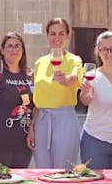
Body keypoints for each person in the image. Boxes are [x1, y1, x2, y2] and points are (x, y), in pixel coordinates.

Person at [30, 17, 83, 169]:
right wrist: (32, 126)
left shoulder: (75, 60)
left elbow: (74, 79)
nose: (57, 38)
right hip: (42, 120)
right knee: (43, 170)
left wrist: (65, 79)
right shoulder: (39, 62)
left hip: (64, 119)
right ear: (47, 36)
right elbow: (37, 99)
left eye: (61, 33)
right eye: (52, 34)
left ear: (68, 36)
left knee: (63, 170)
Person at [78, 31, 112, 170]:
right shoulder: (92, 76)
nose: (109, 53)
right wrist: (85, 94)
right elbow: (85, 100)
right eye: (104, 49)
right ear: (98, 52)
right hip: (94, 140)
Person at [0, 32, 35, 169]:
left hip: (22, 141)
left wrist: (32, 127)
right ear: (2, 51)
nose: (13, 50)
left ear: (22, 51)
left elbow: (35, 105)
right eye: (9, 46)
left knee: (19, 182)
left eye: (17, 46)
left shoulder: (30, 75)